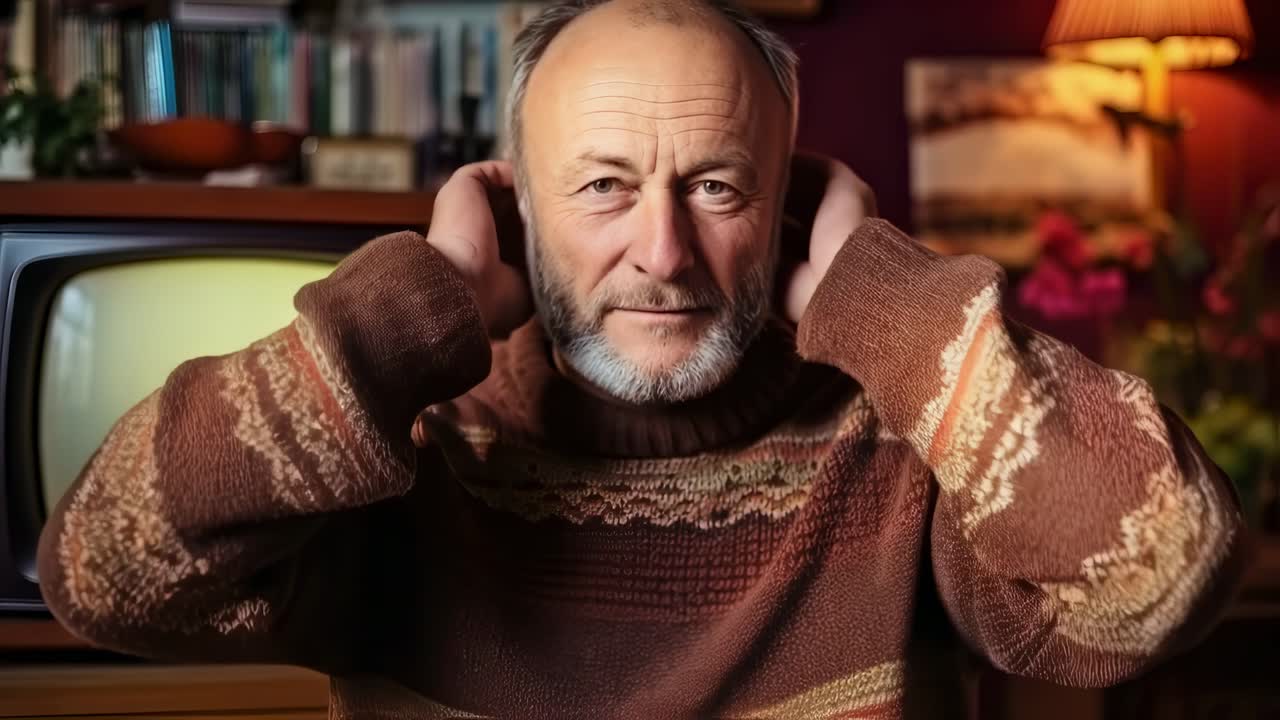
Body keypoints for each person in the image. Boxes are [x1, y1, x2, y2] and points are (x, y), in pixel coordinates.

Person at [38, 1, 1247, 718]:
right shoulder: (409, 444)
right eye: (603, 187)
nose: (661, 252)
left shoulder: (899, 437)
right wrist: (422, 306)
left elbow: (1166, 574)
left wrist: (884, 298)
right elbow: (103, 572)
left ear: (790, 204)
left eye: (715, 186)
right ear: (515, 211)